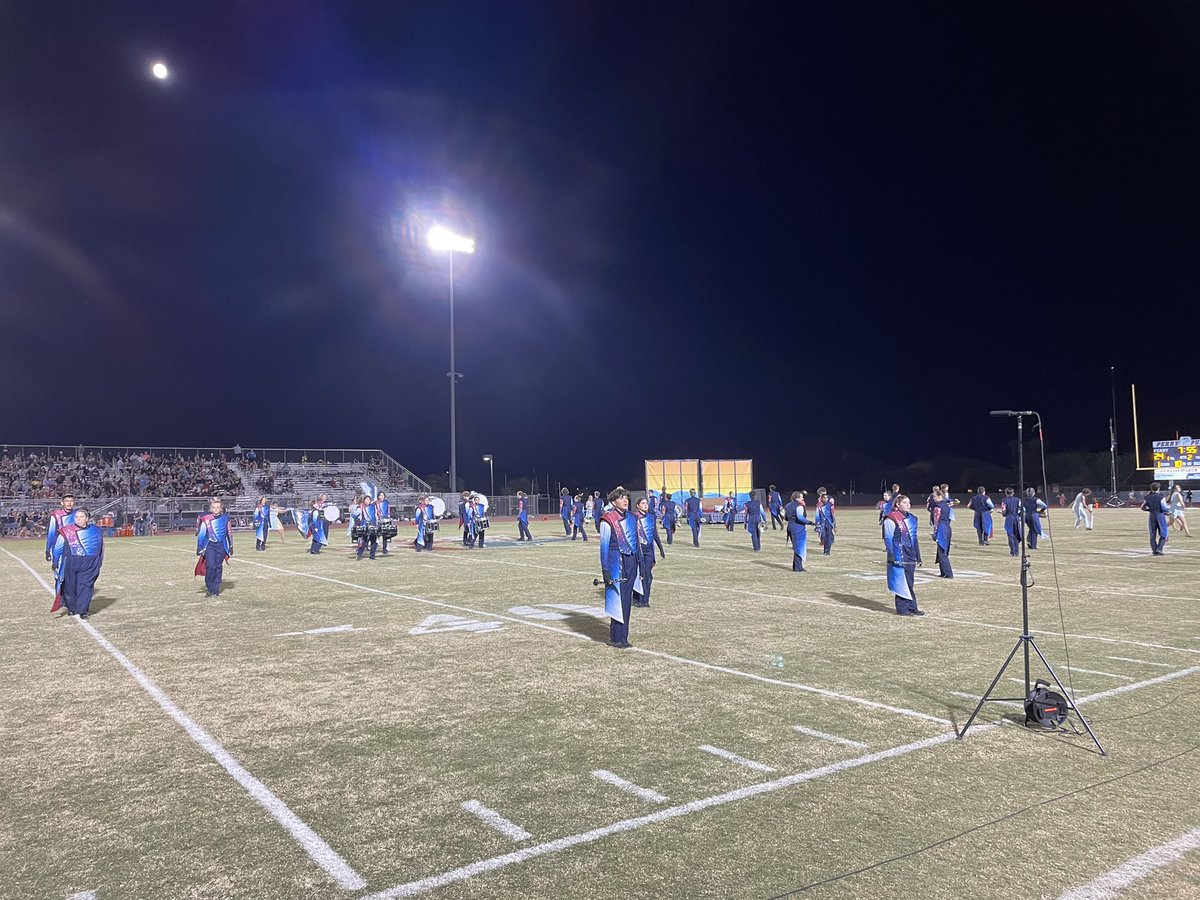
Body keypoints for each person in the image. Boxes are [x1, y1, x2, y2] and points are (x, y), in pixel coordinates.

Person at [599, 487, 640, 647]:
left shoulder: (632, 517)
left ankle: (623, 636)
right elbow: (604, 547)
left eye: (627, 498)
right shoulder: (607, 519)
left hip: (631, 561)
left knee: (627, 600)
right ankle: (616, 637)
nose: (625, 500)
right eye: (621, 498)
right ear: (613, 501)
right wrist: (606, 571)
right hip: (616, 561)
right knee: (618, 599)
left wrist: (641, 564)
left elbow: (636, 542)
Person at [52, 507, 104, 620]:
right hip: (70, 561)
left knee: (85, 586)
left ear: (87, 518)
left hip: (89, 562)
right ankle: (71, 608)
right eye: (76, 517)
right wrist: (55, 562)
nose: (78, 519)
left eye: (81, 517)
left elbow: (100, 547)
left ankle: (83, 610)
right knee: (70, 587)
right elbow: (58, 547)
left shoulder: (96, 530)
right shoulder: (66, 530)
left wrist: (99, 562)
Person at [882, 495, 925, 616]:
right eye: (905, 502)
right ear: (897, 505)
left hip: (910, 553)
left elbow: (914, 539)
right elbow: (888, 538)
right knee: (901, 580)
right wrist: (891, 555)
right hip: (898, 552)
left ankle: (912, 606)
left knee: (910, 580)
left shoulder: (912, 518)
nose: (908, 504)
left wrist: (918, 556)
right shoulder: (891, 519)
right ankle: (902, 608)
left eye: (909, 502)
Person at [196, 497, 232, 597]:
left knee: (218, 567)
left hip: (221, 545)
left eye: (218, 507)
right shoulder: (206, 519)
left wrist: (231, 545)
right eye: (214, 507)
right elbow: (202, 534)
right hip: (210, 545)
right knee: (210, 566)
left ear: (221, 509)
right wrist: (199, 547)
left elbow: (229, 532)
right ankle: (209, 588)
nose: (216, 509)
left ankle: (216, 590)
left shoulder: (226, 518)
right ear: (211, 509)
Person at [633, 495, 654, 607]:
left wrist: (658, 551)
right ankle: (641, 600)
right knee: (641, 575)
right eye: (643, 503)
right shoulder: (634, 517)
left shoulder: (651, 517)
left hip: (649, 551)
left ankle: (643, 599)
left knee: (647, 576)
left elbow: (653, 535)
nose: (645, 505)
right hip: (638, 550)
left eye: (646, 503)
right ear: (637, 506)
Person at [784, 490, 812, 572]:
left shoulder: (787, 505)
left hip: (790, 526)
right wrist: (810, 522)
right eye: (801, 497)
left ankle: (796, 566)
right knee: (799, 547)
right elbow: (800, 518)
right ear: (796, 498)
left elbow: (786, 518)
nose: (803, 498)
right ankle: (798, 567)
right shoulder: (799, 506)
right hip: (798, 527)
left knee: (796, 547)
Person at [45, 492, 76, 564]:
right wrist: (48, 550)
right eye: (67, 501)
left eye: (71, 501)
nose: (69, 503)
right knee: (59, 570)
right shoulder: (56, 515)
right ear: (62, 503)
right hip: (59, 546)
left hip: (74, 547)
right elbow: (51, 534)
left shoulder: (78, 514)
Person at [931, 488, 954, 578]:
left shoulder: (937, 507)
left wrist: (935, 532)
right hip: (947, 527)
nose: (934, 498)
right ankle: (943, 572)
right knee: (943, 551)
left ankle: (948, 573)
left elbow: (936, 521)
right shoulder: (946, 505)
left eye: (935, 496)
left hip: (941, 529)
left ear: (940, 496)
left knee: (942, 552)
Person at [1142, 483, 1170, 554]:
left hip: (1152, 516)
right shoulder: (1161, 497)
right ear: (1159, 488)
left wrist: (1149, 510)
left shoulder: (1147, 497)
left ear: (1151, 489)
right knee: (1164, 532)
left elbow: (1143, 507)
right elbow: (1164, 507)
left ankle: (1154, 549)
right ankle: (1159, 548)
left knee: (1152, 533)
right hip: (1160, 515)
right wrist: (1168, 512)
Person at [352, 492, 379, 560]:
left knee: (374, 541)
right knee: (364, 541)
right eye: (366, 499)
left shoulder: (373, 507)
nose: (368, 501)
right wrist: (358, 519)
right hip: (365, 525)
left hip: (373, 525)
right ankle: (359, 554)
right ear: (364, 500)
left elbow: (377, 514)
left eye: (369, 499)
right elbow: (354, 515)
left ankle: (372, 556)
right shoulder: (361, 507)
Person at [1000, 487, 1022, 556]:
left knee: (1010, 535)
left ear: (1006, 493)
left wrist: (1003, 514)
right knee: (1016, 534)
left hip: (1009, 518)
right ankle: (1017, 551)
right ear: (1013, 493)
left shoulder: (1004, 501)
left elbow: (1004, 511)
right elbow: (1022, 509)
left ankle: (1013, 551)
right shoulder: (1018, 500)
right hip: (1016, 518)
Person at [815, 488, 836, 555]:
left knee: (828, 536)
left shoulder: (831, 500)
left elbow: (832, 511)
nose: (820, 496)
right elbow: (818, 511)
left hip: (828, 520)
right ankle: (826, 545)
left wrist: (834, 523)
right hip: (822, 520)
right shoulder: (820, 499)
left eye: (821, 494)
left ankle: (827, 551)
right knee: (823, 535)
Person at [646, 489, 666, 557]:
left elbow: (656, 504)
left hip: (653, 512)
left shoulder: (654, 498)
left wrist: (655, 510)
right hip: (649, 511)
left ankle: (655, 529)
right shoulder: (648, 498)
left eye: (650, 493)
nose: (649, 494)